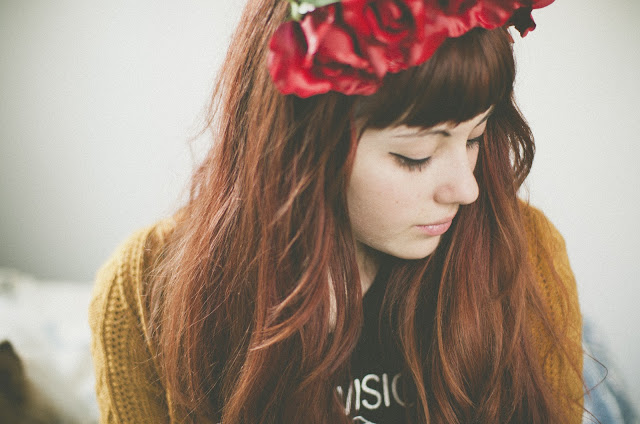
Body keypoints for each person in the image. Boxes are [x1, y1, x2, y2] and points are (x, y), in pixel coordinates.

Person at [88, 0, 585, 423]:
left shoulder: (524, 253)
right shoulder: (145, 288)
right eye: (414, 157)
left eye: (474, 138)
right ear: (301, 146)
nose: (466, 190)